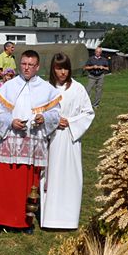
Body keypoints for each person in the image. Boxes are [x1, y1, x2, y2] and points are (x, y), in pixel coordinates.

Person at [0, 50, 61, 233]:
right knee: (5, 181)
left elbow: (56, 113)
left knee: (28, 183)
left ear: (37, 67)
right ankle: (1, 218)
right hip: (11, 140)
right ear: (19, 64)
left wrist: (44, 118)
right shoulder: (8, 86)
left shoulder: (47, 89)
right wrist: (10, 121)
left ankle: (24, 221)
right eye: (23, 64)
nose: (26, 68)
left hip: (33, 141)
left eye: (31, 65)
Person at [40, 53, 94, 230]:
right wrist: (54, 121)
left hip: (70, 138)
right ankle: (50, 218)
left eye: (65, 68)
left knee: (70, 176)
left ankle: (68, 219)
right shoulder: (46, 88)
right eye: (58, 68)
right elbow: (38, 112)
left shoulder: (78, 89)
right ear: (53, 69)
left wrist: (70, 122)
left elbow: (88, 113)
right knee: (51, 175)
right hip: (51, 138)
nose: (62, 72)